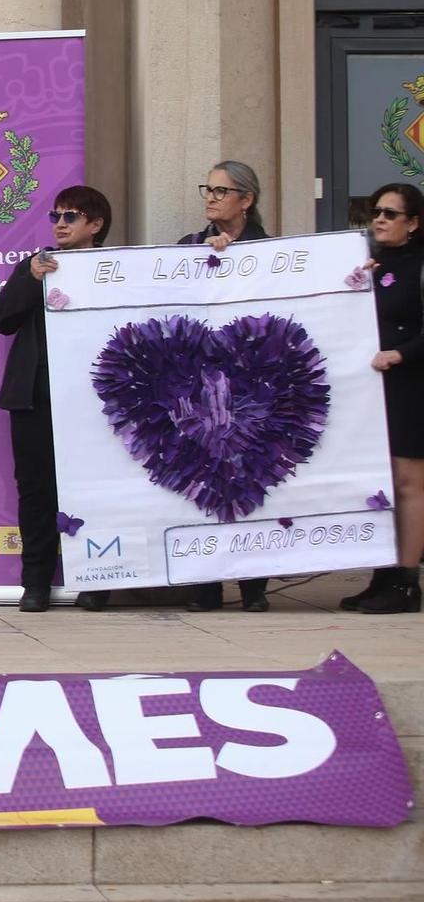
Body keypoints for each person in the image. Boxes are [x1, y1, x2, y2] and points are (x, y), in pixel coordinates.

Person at [0, 185, 113, 613]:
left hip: (94, 401)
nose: (60, 224)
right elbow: (0, 318)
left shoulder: (113, 268)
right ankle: (35, 584)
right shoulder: (35, 265)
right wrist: (32, 280)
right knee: (37, 493)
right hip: (35, 398)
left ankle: (98, 581)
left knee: (96, 491)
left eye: (71, 216)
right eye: (55, 216)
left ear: (95, 225)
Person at [179, 159, 272, 612]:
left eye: (221, 191)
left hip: (251, 386)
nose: (211, 198)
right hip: (201, 388)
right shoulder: (188, 247)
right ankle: (205, 585)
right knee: (202, 480)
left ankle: (254, 586)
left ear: (247, 200)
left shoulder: (272, 251)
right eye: (208, 189)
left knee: (251, 478)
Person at [353, 182, 424, 615]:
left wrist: (400, 353)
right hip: (371, 388)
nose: (379, 218)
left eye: (390, 213)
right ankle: (381, 573)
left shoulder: (417, 266)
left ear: (413, 223)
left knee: (408, 482)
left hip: (409, 384)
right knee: (378, 479)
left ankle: (407, 580)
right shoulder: (369, 263)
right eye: (375, 210)